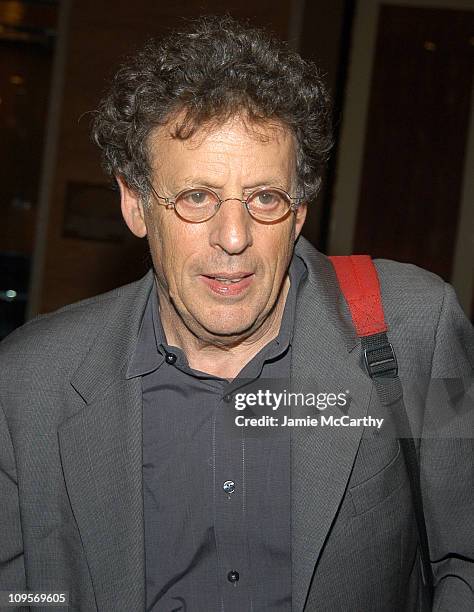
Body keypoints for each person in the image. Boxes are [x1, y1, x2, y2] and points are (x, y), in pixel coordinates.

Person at [0, 15, 473, 612]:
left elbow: (465, 557)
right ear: (136, 204)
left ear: (299, 211)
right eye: (197, 197)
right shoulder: (25, 386)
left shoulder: (412, 334)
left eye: (264, 198)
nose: (233, 236)